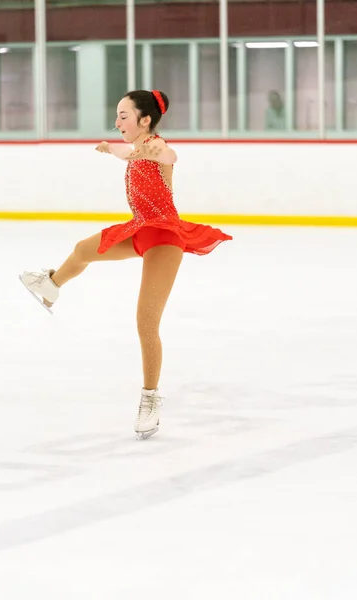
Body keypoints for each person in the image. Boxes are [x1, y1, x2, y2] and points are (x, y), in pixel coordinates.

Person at [20, 89, 232, 440]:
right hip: (139, 230)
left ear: (145, 120)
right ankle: (51, 284)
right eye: (117, 115)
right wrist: (112, 148)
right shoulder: (134, 149)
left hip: (164, 237)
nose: (118, 122)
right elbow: (126, 153)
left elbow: (170, 155)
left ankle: (150, 399)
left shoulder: (157, 146)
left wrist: (156, 150)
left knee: (146, 322)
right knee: (83, 250)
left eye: (124, 115)